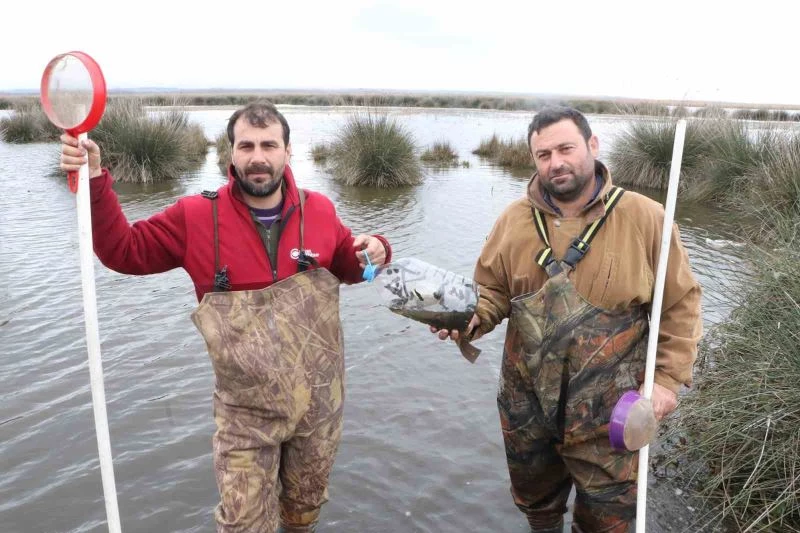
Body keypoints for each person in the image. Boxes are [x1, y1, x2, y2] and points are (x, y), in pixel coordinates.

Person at [60, 101, 392, 533]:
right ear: (231, 152)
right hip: (245, 418)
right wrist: (94, 180)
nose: (258, 157)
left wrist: (377, 249)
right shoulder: (196, 217)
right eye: (246, 146)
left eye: (269, 145)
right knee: (243, 524)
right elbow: (123, 251)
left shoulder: (321, 211)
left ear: (288, 151)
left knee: (303, 512)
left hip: (320, 408)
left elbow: (351, 266)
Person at [434, 106, 702, 532]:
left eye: (566, 148)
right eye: (543, 155)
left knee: (607, 516)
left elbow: (680, 305)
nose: (555, 162)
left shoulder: (646, 217)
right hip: (526, 408)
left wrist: (667, 381)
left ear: (592, 145)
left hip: (611, 413)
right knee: (537, 505)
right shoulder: (513, 220)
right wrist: (468, 319)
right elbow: (491, 292)